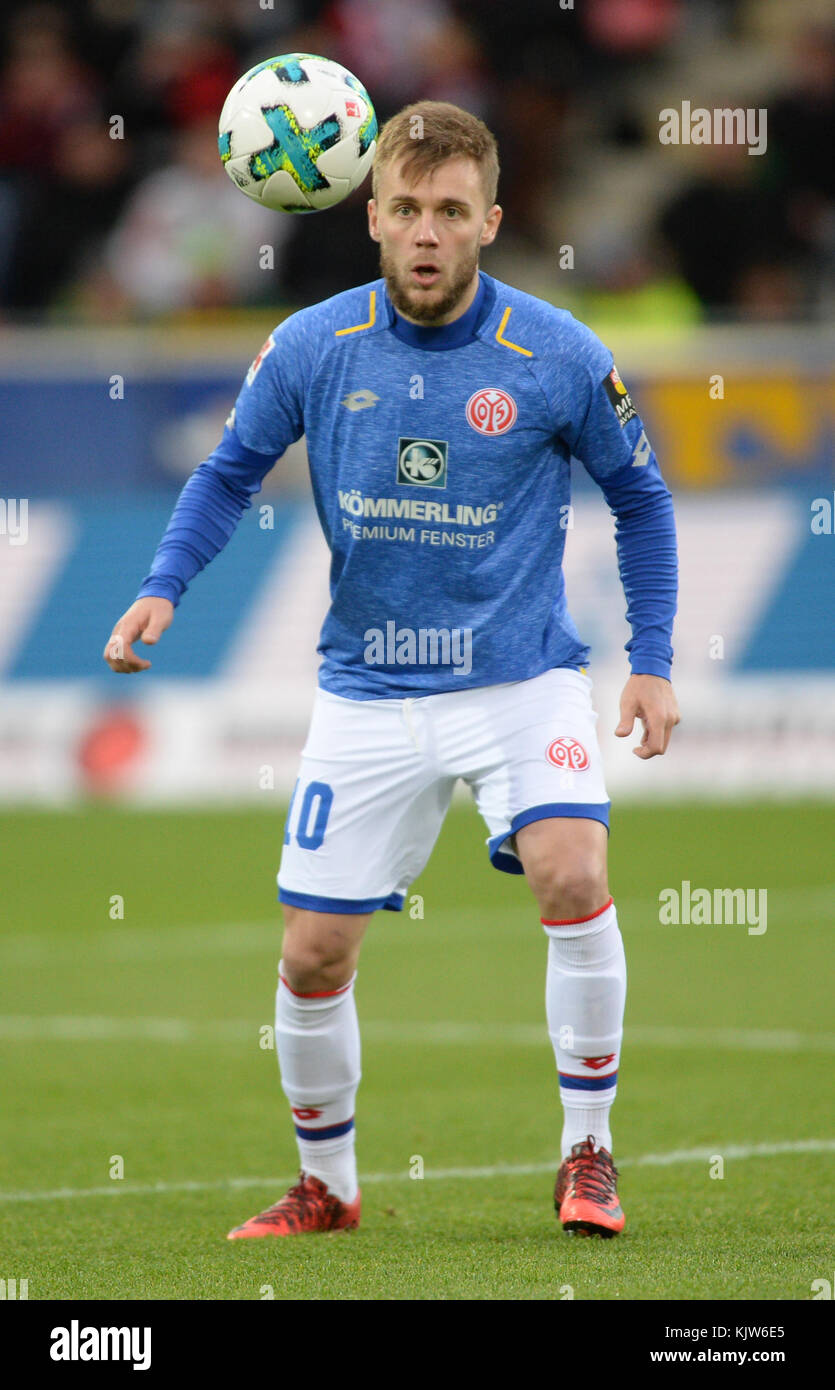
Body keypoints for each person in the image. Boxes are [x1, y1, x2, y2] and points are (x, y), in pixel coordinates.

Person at [104, 100, 679, 1240]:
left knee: (571, 871)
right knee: (313, 954)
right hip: (366, 688)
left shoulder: (557, 353)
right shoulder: (314, 345)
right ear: (371, 215)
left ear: (490, 222)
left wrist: (651, 660)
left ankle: (590, 1155)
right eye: (407, 209)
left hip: (521, 680)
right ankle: (329, 1185)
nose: (426, 232)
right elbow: (227, 472)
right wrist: (166, 581)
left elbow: (641, 497)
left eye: (451, 212)